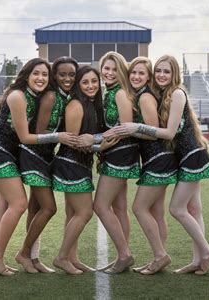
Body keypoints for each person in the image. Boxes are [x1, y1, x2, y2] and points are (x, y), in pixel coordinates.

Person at [105, 54, 209, 275]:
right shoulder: (160, 94)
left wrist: (133, 127)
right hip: (179, 157)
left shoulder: (175, 93)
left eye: (166, 71)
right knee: (193, 209)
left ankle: (205, 251)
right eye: (159, 71)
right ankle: (197, 260)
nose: (161, 75)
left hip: (189, 156)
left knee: (170, 208)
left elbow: (167, 132)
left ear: (174, 74)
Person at [0, 58, 77, 276]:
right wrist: (60, 136)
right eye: (36, 73)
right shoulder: (18, 96)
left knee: (2, 208)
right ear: (26, 75)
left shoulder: (37, 96)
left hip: (9, 152)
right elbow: (26, 137)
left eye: (44, 75)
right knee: (18, 204)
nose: (40, 78)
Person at [52, 66, 118, 274]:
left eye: (94, 81)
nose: (91, 86)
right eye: (85, 82)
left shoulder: (91, 104)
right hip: (70, 164)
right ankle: (62, 257)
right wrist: (102, 146)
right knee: (84, 212)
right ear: (79, 85)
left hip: (80, 164)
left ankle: (73, 258)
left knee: (73, 213)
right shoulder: (76, 104)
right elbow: (73, 141)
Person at [79, 51, 139, 274]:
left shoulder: (121, 93)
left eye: (115, 69)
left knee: (100, 205)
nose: (110, 72)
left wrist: (94, 140)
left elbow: (125, 127)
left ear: (121, 71)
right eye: (106, 68)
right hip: (113, 151)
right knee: (119, 207)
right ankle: (122, 256)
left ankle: (124, 254)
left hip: (121, 152)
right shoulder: (107, 92)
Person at [17, 57, 78, 273]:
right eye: (62, 74)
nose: (67, 78)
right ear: (54, 76)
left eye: (71, 74)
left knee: (35, 209)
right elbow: (40, 132)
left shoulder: (67, 96)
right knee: (49, 208)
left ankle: (33, 259)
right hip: (33, 155)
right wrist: (59, 136)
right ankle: (23, 253)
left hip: (45, 156)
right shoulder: (51, 96)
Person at [126, 57, 178, 274]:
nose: (136, 77)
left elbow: (153, 131)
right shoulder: (144, 94)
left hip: (158, 159)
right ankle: (159, 257)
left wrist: (130, 129)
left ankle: (160, 255)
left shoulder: (145, 96)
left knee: (139, 208)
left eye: (141, 73)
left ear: (148, 77)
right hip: (158, 159)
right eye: (133, 73)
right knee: (156, 212)